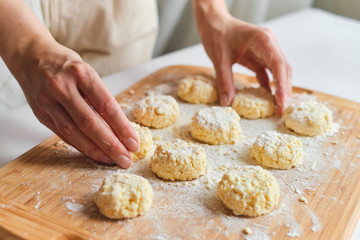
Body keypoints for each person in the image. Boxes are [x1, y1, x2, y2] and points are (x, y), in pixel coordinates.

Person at [0, 0, 291, 169]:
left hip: (118, 13)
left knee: (111, 111)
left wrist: (212, 11)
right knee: (13, 143)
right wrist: (26, 48)